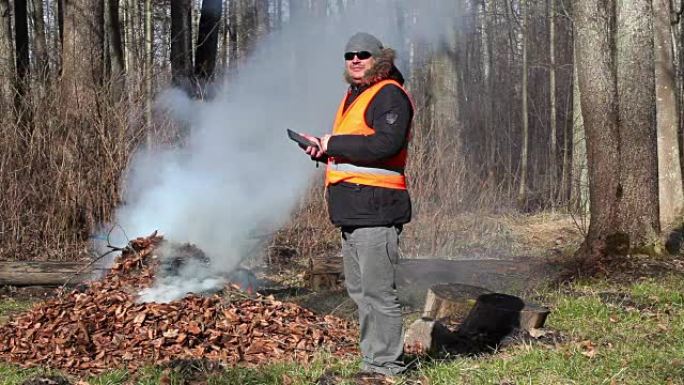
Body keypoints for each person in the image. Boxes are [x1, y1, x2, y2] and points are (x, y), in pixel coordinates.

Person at [300, 32, 414, 377]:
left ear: (379, 58)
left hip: (376, 209)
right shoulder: (355, 95)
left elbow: (385, 144)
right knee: (361, 292)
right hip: (353, 211)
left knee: (379, 293)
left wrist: (333, 141)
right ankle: (372, 363)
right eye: (349, 54)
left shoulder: (389, 94)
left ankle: (388, 367)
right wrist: (325, 149)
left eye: (363, 54)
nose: (355, 59)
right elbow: (356, 152)